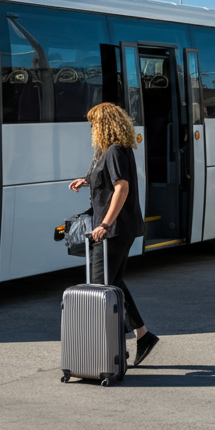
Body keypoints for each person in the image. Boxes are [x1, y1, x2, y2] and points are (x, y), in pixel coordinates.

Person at [68, 102, 159, 366]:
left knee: (100, 287)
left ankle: (113, 346)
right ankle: (141, 336)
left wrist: (105, 225)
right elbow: (108, 179)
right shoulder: (113, 150)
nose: (92, 129)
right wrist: (87, 180)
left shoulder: (115, 151)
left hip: (114, 231)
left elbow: (122, 187)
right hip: (119, 229)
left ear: (104, 125)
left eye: (94, 124)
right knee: (113, 283)